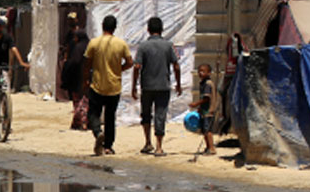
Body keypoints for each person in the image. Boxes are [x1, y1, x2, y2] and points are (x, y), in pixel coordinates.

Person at [82, 15, 133, 156]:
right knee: (110, 117)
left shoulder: (94, 43)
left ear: (103, 25)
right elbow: (130, 62)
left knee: (93, 113)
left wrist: (85, 80)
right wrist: (118, 69)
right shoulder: (121, 44)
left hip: (97, 85)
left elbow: (87, 64)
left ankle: (98, 132)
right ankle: (108, 147)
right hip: (114, 87)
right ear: (114, 27)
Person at [131, 16, 181, 156]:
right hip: (163, 86)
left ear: (148, 30)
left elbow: (137, 67)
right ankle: (159, 147)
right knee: (160, 115)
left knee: (146, 115)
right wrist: (178, 84)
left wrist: (134, 86)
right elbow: (176, 66)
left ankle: (148, 143)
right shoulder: (169, 45)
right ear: (161, 29)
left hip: (147, 86)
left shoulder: (143, 46)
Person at [59, 12, 89, 130]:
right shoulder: (74, 38)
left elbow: (75, 61)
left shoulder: (79, 46)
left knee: (79, 100)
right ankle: (79, 122)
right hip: (83, 75)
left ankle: (82, 121)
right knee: (81, 99)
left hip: (78, 75)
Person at [188, 63, 218, 155]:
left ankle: (212, 148)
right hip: (204, 111)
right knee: (204, 130)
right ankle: (208, 147)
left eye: (203, 71)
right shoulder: (203, 83)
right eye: (199, 71)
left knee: (207, 130)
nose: (200, 73)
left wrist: (196, 104)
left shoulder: (208, 84)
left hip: (209, 111)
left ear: (209, 73)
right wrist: (200, 108)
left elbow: (206, 98)